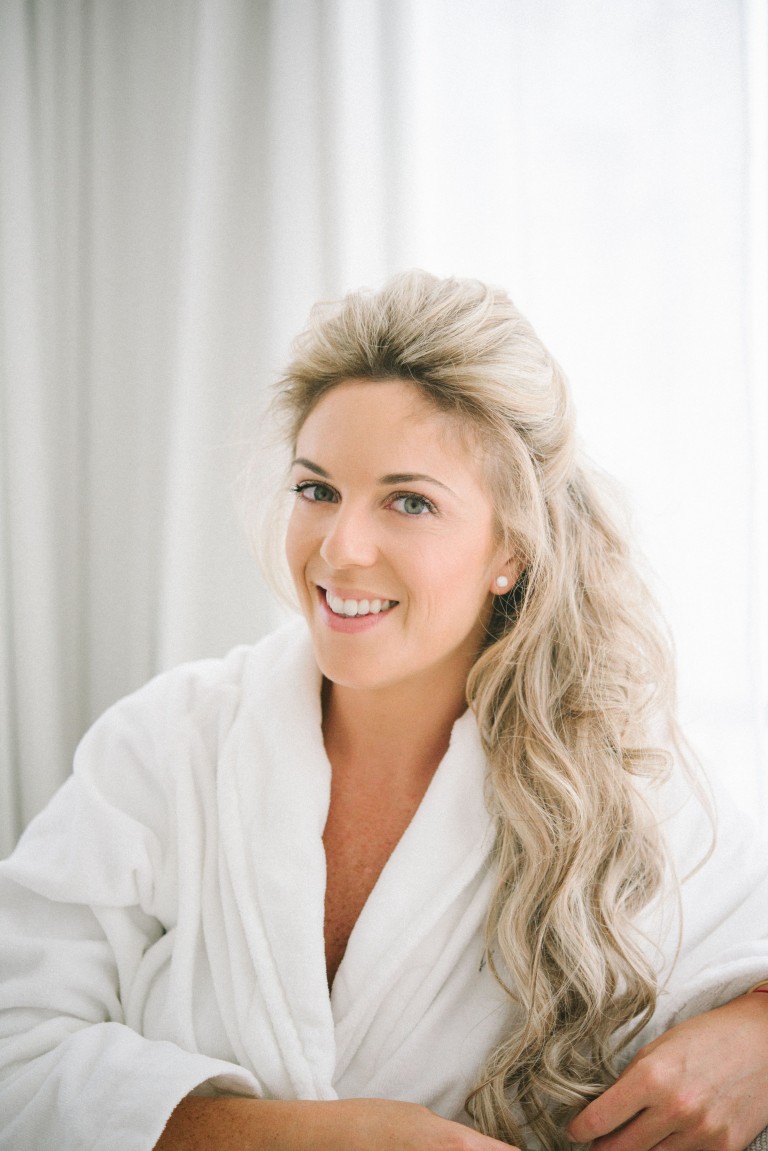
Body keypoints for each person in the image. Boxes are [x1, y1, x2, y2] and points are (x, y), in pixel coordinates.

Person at [0, 271, 767, 1151]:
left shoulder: (621, 779)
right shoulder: (167, 745)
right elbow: (14, 1047)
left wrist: (760, 1034)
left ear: (511, 549)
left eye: (410, 501)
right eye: (317, 489)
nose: (340, 547)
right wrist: (321, 1140)